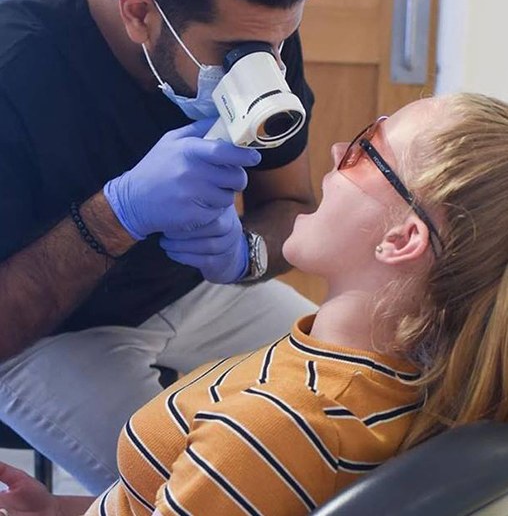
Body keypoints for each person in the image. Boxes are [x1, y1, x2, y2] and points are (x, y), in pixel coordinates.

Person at [2, 91, 508, 515]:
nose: (334, 150)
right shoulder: (409, 382)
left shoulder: (272, 428)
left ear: (401, 240)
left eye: (365, 149)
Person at [0, 0, 326, 493]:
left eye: (281, 40)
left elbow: (293, 203)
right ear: (140, 14)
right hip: (43, 334)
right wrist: (116, 214)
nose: (268, 68)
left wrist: (245, 254)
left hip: (196, 289)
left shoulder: (255, 26)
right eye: (236, 52)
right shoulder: (16, 66)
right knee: (217, 491)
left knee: (375, 401)